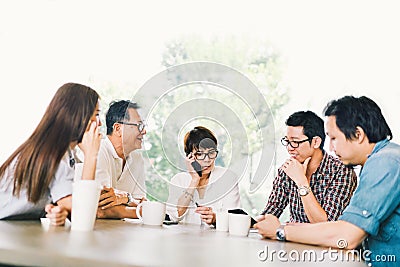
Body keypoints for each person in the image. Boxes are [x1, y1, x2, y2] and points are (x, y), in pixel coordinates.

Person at [255, 96, 399, 266]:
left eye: (334, 138)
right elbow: (344, 226)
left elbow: (346, 236)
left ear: (358, 134)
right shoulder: (380, 160)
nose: (330, 147)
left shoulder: (385, 162)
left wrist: (281, 231)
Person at [0, 83, 102, 225]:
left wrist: (62, 211)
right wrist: (92, 155)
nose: (100, 123)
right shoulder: (56, 155)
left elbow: (72, 205)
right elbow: (84, 213)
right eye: (96, 115)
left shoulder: (67, 153)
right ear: (80, 115)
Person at [262, 111, 357, 223]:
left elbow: (326, 225)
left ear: (316, 142)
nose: (289, 148)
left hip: (326, 240)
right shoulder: (288, 169)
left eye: (295, 142)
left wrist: (301, 181)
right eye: (287, 141)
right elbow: (270, 212)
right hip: (291, 237)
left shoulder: (341, 172)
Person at [167, 126, 241, 225]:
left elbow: (236, 218)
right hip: (185, 239)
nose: (207, 160)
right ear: (190, 157)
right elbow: (174, 216)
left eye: (211, 153)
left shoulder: (227, 177)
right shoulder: (179, 180)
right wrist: (194, 180)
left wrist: (215, 219)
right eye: (200, 154)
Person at [96, 100, 147, 219]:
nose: (144, 131)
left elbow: (142, 202)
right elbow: (101, 208)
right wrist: (140, 211)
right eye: (139, 126)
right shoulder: (98, 151)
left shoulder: (137, 158)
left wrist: (126, 198)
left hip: (124, 232)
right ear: (118, 128)